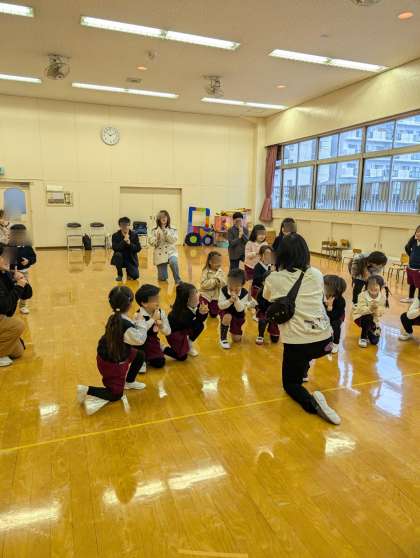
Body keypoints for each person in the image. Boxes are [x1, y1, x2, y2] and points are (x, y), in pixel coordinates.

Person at [263, 234, 340, 425]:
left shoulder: (274, 278)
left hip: (298, 343)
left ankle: (312, 404)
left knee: (290, 384)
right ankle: (303, 369)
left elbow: (266, 297)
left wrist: (274, 271)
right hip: (325, 341)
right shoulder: (316, 274)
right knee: (305, 354)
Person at [77, 286, 146, 415]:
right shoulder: (123, 323)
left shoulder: (114, 316)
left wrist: (135, 323)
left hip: (111, 354)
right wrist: (141, 323)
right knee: (116, 395)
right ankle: (86, 390)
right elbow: (140, 340)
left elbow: (127, 332)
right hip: (112, 363)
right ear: (130, 304)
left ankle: (129, 382)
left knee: (139, 355)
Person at [0, 243, 32, 367]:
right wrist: (18, 287)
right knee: (17, 325)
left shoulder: (5, 273)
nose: (7, 259)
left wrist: (22, 280)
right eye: (3, 256)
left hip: (4, 316)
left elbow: (27, 294)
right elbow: (4, 306)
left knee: (18, 351)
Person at [165, 282, 209, 360]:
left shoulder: (195, 304)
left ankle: (189, 344)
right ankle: (162, 348)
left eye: (196, 292)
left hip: (185, 329)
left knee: (200, 325)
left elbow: (199, 322)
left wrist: (203, 313)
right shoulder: (180, 312)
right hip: (175, 334)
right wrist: (200, 313)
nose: (197, 296)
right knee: (182, 357)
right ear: (185, 299)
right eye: (193, 295)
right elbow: (190, 323)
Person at [134, 284, 171, 368]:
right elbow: (140, 334)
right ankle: (142, 359)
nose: (158, 302)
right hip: (140, 343)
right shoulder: (138, 315)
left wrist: (161, 326)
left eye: (158, 298)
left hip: (152, 341)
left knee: (160, 363)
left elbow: (168, 332)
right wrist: (153, 319)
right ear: (144, 303)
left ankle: (160, 347)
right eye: (154, 299)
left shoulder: (161, 312)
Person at [252, 245, 279, 345]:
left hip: (272, 293)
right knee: (263, 318)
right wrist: (267, 277)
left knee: (275, 338)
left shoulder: (274, 266)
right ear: (261, 255)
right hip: (260, 289)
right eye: (266, 254)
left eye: (270, 254)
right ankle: (261, 333)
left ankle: (272, 327)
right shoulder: (258, 266)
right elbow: (256, 281)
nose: (268, 256)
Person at [353, 275, 389, 348]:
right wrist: (370, 309)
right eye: (370, 285)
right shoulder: (362, 295)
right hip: (360, 317)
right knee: (368, 317)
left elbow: (382, 311)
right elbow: (360, 310)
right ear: (367, 286)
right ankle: (363, 337)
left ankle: (371, 330)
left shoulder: (382, 297)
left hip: (374, 319)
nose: (373, 287)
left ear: (381, 287)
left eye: (376, 285)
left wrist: (376, 310)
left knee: (374, 342)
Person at [8, 224, 36, 314]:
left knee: (24, 288)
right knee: (10, 288)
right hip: (10, 272)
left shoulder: (27, 247)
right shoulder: (8, 246)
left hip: (23, 272)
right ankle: (10, 305)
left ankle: (23, 305)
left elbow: (34, 258)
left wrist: (28, 261)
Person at [218, 268, 248, 349]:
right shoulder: (223, 290)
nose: (233, 287)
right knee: (227, 316)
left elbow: (240, 309)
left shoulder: (245, 293)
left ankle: (234, 330)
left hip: (238, 314)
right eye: (231, 284)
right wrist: (229, 301)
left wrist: (236, 300)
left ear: (242, 285)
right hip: (226, 311)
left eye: (237, 285)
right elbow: (220, 306)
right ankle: (223, 338)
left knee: (236, 339)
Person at [149, 210, 181, 284]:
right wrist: (157, 239)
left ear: (168, 218)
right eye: (161, 217)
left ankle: (178, 280)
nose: (163, 218)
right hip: (160, 254)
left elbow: (173, 240)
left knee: (174, 262)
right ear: (158, 219)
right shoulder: (154, 229)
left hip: (171, 252)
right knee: (162, 278)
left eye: (165, 217)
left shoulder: (173, 228)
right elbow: (151, 243)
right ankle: (162, 275)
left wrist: (166, 233)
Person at [111, 217, 141, 281]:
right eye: (123, 225)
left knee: (135, 276)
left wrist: (130, 244)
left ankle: (129, 272)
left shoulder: (134, 235)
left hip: (131, 258)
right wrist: (124, 241)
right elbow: (115, 248)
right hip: (120, 257)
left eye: (127, 225)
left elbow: (138, 248)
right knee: (117, 255)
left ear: (129, 225)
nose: (125, 227)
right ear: (120, 226)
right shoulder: (115, 235)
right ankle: (120, 274)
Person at [323, 275, 347, 354]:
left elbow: (334, 316)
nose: (323, 287)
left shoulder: (340, 301)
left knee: (335, 325)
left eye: (325, 286)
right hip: (326, 314)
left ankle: (335, 343)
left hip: (337, 316)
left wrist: (329, 307)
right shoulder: (323, 295)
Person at [199, 251, 226, 318]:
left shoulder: (221, 272)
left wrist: (220, 281)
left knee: (214, 315)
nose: (219, 264)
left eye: (220, 261)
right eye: (217, 262)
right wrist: (215, 281)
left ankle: (212, 310)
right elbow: (203, 285)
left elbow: (224, 283)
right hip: (205, 295)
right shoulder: (205, 272)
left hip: (215, 297)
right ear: (210, 262)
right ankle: (199, 306)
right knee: (203, 313)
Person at [401, 225, 420, 303]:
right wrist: (411, 256)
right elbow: (407, 247)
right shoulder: (414, 241)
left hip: (418, 269)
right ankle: (410, 298)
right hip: (411, 267)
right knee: (412, 283)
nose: (418, 233)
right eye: (417, 231)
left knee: (419, 285)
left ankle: (418, 301)